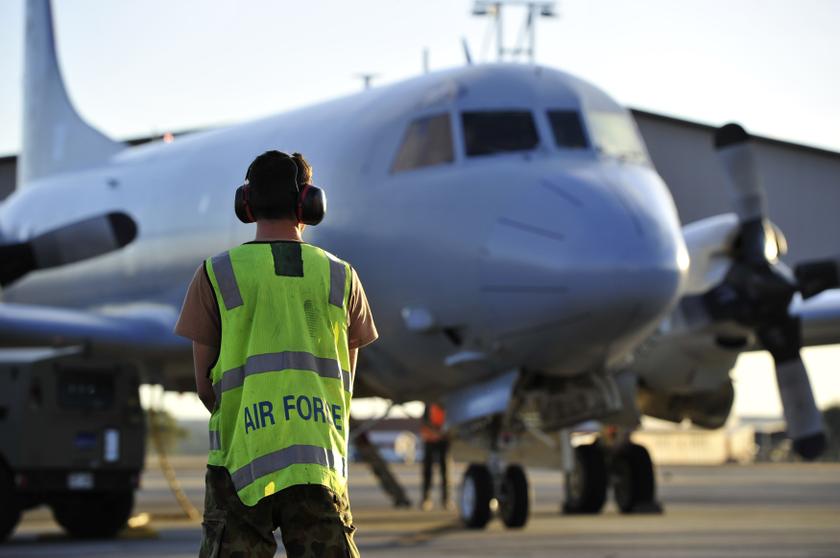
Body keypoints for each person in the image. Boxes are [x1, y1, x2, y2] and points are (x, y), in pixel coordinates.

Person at [174, 150, 378, 558]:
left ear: (245, 203)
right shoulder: (341, 277)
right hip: (318, 465)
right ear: (308, 203)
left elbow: (204, 386)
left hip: (241, 465)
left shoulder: (217, 274)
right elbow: (345, 383)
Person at [419, 402, 451, 511]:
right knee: (427, 472)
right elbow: (424, 421)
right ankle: (426, 499)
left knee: (445, 472)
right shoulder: (429, 405)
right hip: (430, 440)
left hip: (443, 441)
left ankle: (445, 500)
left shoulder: (447, 404)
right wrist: (433, 431)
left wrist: (443, 433)